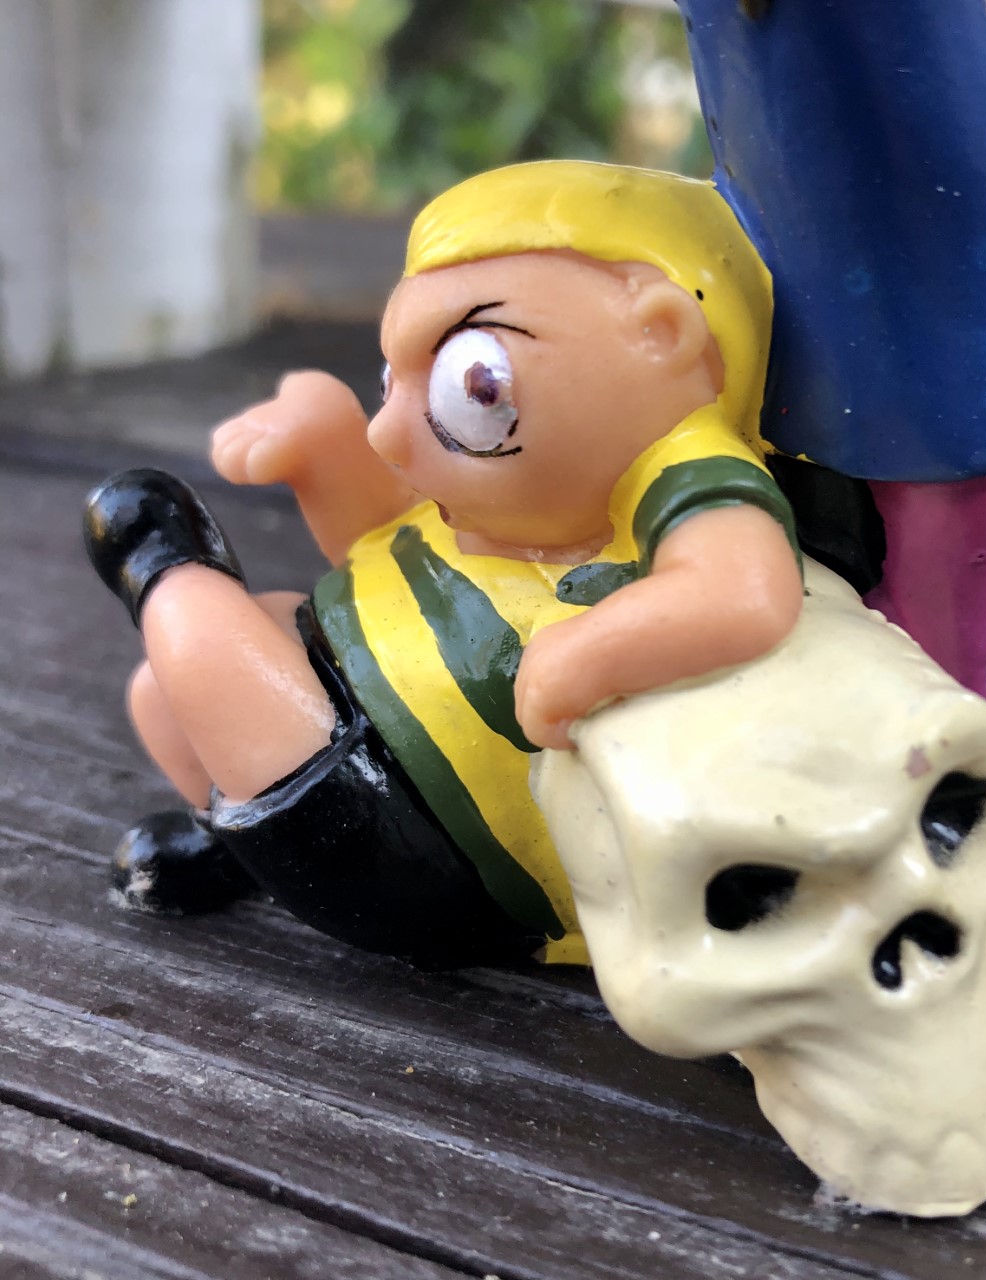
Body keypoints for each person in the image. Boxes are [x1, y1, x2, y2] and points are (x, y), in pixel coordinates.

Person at [84, 161, 803, 966]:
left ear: (662, 332)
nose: (389, 431)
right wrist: (326, 450)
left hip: (419, 827)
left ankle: (160, 562)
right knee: (166, 692)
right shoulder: (500, 498)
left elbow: (743, 593)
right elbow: (376, 536)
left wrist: (591, 653)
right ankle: (242, 843)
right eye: (394, 380)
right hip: (353, 733)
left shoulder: (679, 471)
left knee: (202, 642)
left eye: (474, 381)